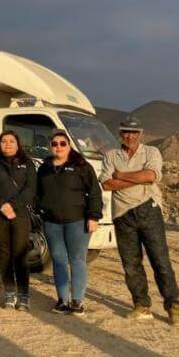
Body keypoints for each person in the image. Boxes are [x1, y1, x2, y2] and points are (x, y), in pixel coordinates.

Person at [100, 116, 179, 324]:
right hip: (122, 214)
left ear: (141, 134)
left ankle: (173, 304)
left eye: (134, 132)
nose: (130, 136)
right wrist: (135, 176)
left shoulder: (151, 152)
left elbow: (151, 176)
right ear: (120, 133)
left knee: (160, 259)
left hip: (148, 209)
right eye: (126, 132)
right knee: (131, 263)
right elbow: (107, 185)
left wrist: (121, 174)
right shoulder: (111, 155)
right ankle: (141, 305)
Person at [37, 129, 102, 314]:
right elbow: (38, 193)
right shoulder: (44, 168)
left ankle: (77, 301)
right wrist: (39, 210)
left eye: (62, 143)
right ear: (50, 146)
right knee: (58, 260)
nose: (58, 147)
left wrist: (93, 216)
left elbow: (94, 193)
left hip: (77, 221)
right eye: (54, 144)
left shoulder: (81, 166)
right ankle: (62, 300)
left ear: (69, 146)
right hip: (52, 222)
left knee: (77, 260)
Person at [0, 130, 37, 310]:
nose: (8, 144)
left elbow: (30, 189)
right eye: (4, 141)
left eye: (11, 141)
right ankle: (9, 292)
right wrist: (1, 206)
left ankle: (23, 294)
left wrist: (12, 207)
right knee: (4, 255)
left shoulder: (27, 164)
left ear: (18, 144)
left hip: (20, 215)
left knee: (21, 254)